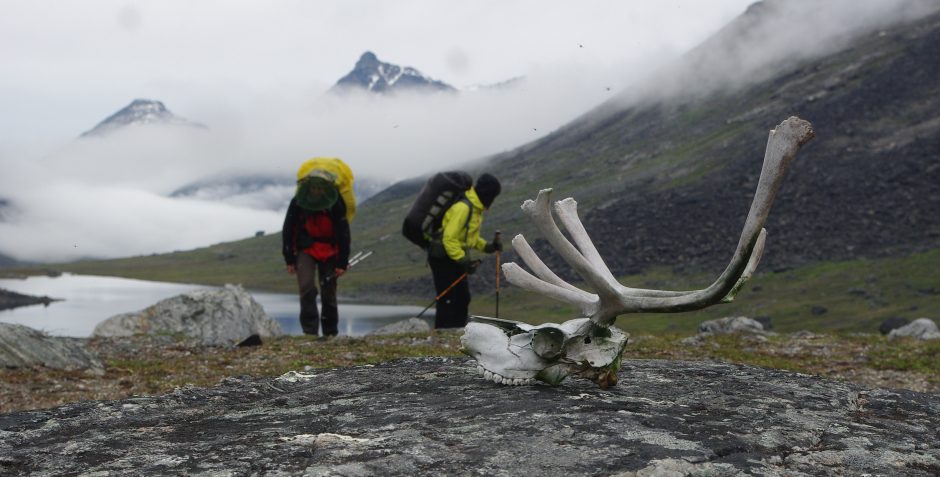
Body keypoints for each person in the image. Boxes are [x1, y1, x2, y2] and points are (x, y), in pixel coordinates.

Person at [282, 158, 355, 336]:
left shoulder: (336, 203)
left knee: (328, 291)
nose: (316, 191)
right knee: (306, 288)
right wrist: (289, 259)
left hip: (330, 251)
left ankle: (330, 333)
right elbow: (288, 229)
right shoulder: (298, 202)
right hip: (305, 249)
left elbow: (344, 233)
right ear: (308, 187)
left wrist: (342, 262)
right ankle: (310, 333)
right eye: (313, 188)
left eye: (319, 188)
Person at [427, 173, 502, 329]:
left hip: (454, 257)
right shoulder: (463, 208)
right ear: (487, 193)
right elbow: (449, 238)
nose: (492, 201)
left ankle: (458, 332)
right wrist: (463, 260)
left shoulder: (475, 209)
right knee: (447, 298)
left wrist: (488, 247)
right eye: (492, 196)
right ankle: (443, 334)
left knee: (462, 298)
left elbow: (469, 239)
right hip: (442, 258)